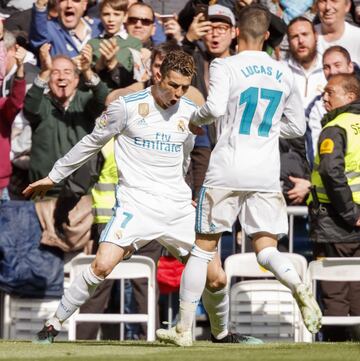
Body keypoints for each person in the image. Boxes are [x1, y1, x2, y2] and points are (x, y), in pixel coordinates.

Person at [23, 50, 262, 346]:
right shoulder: (125, 107)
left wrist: (186, 192)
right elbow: (90, 143)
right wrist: (54, 176)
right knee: (101, 265)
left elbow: (186, 157)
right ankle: (52, 325)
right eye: (173, 85)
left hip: (177, 209)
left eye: (184, 87)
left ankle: (222, 334)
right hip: (136, 206)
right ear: (158, 75)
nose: (178, 94)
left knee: (217, 278)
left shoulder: (188, 112)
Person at [156, 4, 322, 347]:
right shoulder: (285, 72)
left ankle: (183, 329)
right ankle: (298, 285)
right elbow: (296, 126)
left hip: (227, 168)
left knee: (202, 250)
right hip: (264, 173)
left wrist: (194, 120)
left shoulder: (224, 64)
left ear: (235, 33)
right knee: (265, 248)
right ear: (266, 37)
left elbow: (214, 108)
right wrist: (269, 128)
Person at [307, 73, 360, 341]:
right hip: (351, 219)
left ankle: (337, 347)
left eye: (331, 92)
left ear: (350, 96)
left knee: (336, 290)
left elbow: (330, 171)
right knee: (358, 288)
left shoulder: (335, 128)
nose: (324, 97)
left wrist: (351, 214)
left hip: (335, 221)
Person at [88, 0, 142, 91]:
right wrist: (97, 66)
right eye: (106, 14)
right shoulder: (92, 43)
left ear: (125, 17)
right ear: (100, 16)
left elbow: (135, 78)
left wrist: (113, 63)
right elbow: (84, 78)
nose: (111, 19)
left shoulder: (134, 43)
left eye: (116, 14)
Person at [29, 0, 102, 58]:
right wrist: (40, 5)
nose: (69, 5)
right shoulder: (50, 29)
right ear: (56, 5)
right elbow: (38, 37)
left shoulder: (100, 27)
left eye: (75, 0)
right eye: (62, 0)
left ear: (84, 4)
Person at [315, 0, 360, 66]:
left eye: (334, 0)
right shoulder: (306, 36)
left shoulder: (357, 37)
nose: (327, 7)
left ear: (347, 6)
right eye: (323, 1)